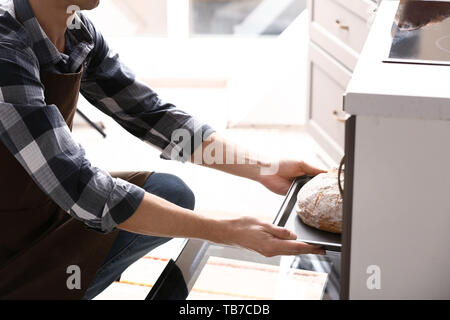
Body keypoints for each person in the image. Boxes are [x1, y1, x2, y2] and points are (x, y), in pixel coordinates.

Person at [0, 0, 326, 300]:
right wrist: (223, 231)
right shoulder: (5, 48)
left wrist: (265, 168)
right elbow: (82, 189)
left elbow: (153, 116)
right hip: (12, 235)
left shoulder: (75, 29)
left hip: (43, 208)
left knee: (170, 193)